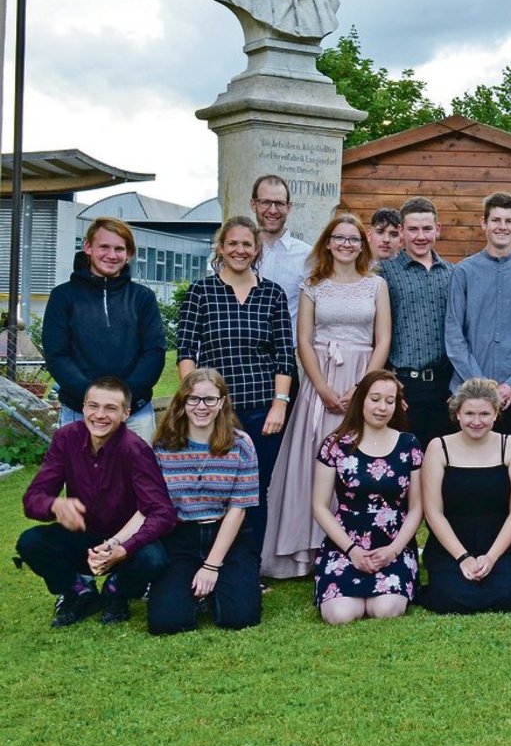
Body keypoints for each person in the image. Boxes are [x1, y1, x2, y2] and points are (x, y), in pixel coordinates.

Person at [262, 214, 390, 579]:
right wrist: (320, 387)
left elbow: (382, 340)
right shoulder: (312, 285)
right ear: (328, 243)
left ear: (362, 245)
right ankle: (307, 550)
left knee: (357, 457)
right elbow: (302, 340)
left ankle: (354, 543)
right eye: (340, 238)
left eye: (354, 239)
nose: (347, 244)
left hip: (362, 378)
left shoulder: (375, 285)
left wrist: (362, 389)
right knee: (313, 459)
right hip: (322, 379)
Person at [177, 216, 295, 556]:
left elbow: (283, 355)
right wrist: (195, 401)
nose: (239, 250)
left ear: (256, 249)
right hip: (215, 410)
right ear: (221, 248)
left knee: (256, 487)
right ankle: (211, 558)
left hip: (261, 408)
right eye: (233, 244)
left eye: (247, 244)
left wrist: (280, 403)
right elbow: (186, 351)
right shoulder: (202, 291)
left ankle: (249, 565)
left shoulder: (271, 293)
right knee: (215, 484)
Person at [17, 378, 175, 626]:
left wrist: (124, 547)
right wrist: (54, 506)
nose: (99, 415)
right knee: (31, 542)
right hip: (83, 534)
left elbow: (161, 511)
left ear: (126, 414)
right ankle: (79, 591)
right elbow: (33, 499)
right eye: (93, 406)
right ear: (83, 407)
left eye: (111, 408)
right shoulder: (66, 438)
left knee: (153, 557)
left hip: (124, 539)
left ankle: (117, 591)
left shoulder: (135, 449)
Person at [147, 369, 262, 634]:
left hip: (227, 534)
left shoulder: (241, 445)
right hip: (180, 535)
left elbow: (237, 509)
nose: (201, 407)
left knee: (242, 617)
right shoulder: (164, 447)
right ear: (182, 401)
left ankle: (217, 587)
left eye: (209, 399)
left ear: (221, 402)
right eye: (193, 399)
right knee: (166, 623)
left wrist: (211, 566)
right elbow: (153, 505)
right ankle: (190, 591)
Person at [311, 370, 423, 623]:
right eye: (375, 399)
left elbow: (417, 508)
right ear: (361, 399)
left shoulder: (410, 445)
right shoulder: (335, 445)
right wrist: (352, 551)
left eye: (390, 401)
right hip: (345, 543)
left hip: (393, 543)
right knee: (340, 615)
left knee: (385, 610)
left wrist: (393, 551)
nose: (382, 407)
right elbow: (319, 506)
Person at [42, 217, 166, 443]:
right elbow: (56, 354)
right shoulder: (63, 297)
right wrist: (95, 401)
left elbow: (154, 353)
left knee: (137, 478)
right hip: (79, 412)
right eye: (104, 247)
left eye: (120, 248)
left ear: (128, 254)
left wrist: (121, 400)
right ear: (88, 247)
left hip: (135, 413)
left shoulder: (143, 298)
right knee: (81, 478)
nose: (112, 255)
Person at [417, 377, 511, 615]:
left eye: (484, 414)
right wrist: (463, 558)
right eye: (469, 414)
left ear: (496, 414)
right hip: (453, 544)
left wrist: (490, 557)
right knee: (452, 598)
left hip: (500, 543)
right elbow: (433, 511)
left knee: (507, 595)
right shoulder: (438, 448)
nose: (476, 421)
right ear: (457, 413)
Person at [445, 191, 511, 445]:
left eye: (508, 221)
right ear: (484, 223)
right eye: (495, 220)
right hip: (467, 395)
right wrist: (480, 386)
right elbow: (453, 333)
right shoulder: (463, 272)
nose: (502, 227)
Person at [379, 196, 455, 445]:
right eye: (413, 229)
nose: (420, 236)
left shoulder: (453, 274)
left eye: (427, 228)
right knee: (404, 460)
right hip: (403, 385)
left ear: (438, 229)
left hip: (445, 385)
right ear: (401, 231)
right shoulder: (384, 272)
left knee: (440, 460)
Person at [248, 175, 311, 344]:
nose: (273, 210)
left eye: (280, 203)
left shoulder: (308, 256)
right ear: (253, 205)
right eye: (266, 202)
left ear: (289, 207)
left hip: (287, 355)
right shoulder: (237, 254)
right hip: (242, 357)